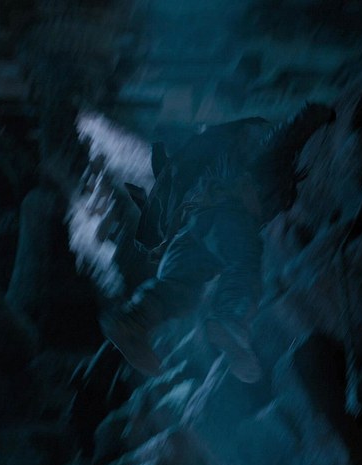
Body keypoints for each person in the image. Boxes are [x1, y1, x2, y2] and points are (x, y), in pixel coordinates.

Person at [99, 104, 335, 383]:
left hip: (199, 232)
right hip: (222, 211)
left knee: (180, 288)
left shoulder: (254, 170)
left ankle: (135, 319)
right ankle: (227, 319)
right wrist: (315, 114)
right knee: (241, 262)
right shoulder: (254, 166)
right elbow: (282, 138)